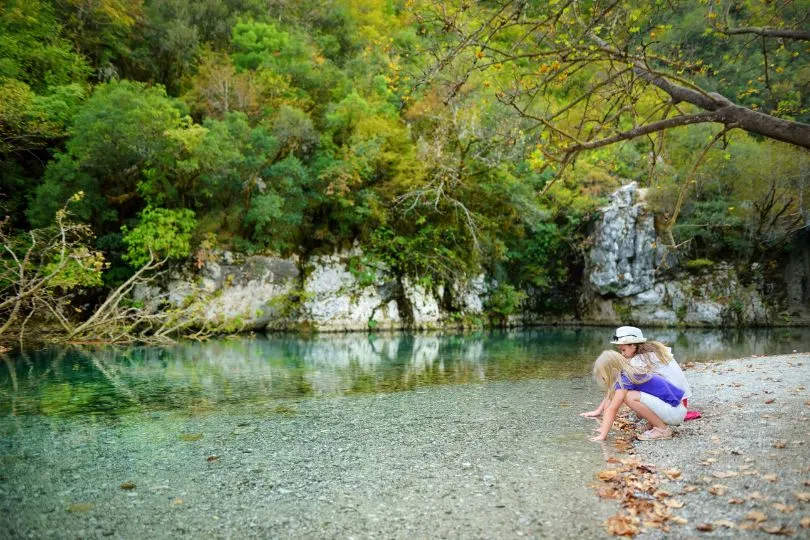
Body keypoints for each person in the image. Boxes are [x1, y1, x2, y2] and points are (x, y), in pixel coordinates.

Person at [580, 326, 699, 420]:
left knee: (627, 389)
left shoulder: (639, 361)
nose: (622, 354)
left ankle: (657, 421)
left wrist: (599, 411)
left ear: (633, 345)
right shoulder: (650, 351)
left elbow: (617, 386)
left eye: (623, 350)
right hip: (680, 397)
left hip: (675, 402)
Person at [587, 350, 687, 441]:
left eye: (603, 376)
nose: (604, 380)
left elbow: (612, 408)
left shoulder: (625, 378)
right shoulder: (629, 373)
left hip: (675, 412)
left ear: (612, 371)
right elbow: (610, 398)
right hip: (675, 408)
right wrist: (602, 425)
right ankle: (655, 424)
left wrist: (603, 435)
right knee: (631, 396)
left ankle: (662, 429)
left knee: (630, 397)